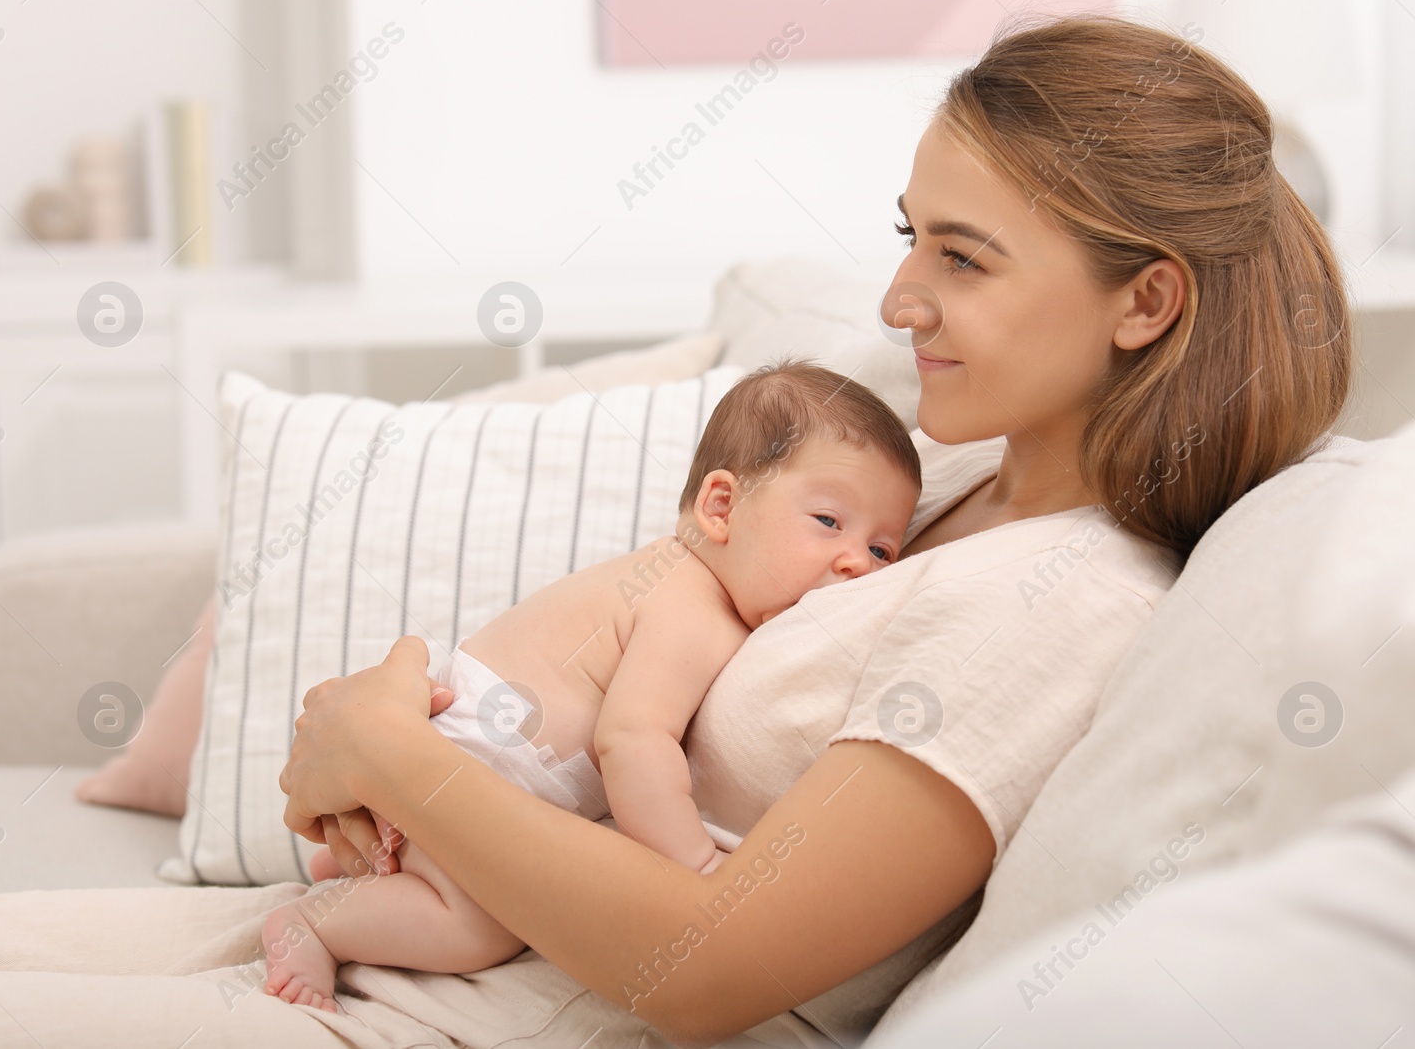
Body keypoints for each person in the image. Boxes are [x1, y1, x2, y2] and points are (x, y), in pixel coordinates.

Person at [0, 15, 1349, 1048]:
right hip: (442, 946)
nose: (902, 301)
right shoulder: (951, 499)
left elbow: (711, 966)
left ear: (1145, 301)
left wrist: (391, 748)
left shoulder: (1063, 598)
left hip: (510, 1011)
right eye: (909, 234)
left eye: (961, 257)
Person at [261, 362, 923, 1012]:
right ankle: (317, 923)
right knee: (481, 926)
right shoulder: (694, 606)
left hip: (467, 737)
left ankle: (373, 878)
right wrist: (694, 867)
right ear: (721, 506)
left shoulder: (678, 581)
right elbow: (632, 740)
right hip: (480, 758)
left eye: (884, 550)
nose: (856, 563)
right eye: (829, 522)